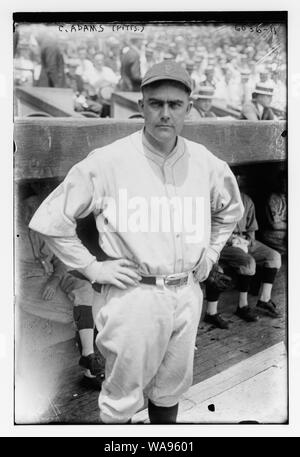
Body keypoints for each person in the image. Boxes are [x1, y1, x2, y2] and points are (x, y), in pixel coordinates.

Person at [29, 60, 244, 424]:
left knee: (171, 388)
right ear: (140, 106)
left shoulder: (207, 163)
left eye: (174, 104)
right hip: (134, 295)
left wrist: (210, 252)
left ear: (188, 109)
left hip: (187, 291)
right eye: (155, 103)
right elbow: (51, 220)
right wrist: (92, 266)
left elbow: (230, 210)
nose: (164, 113)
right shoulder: (109, 161)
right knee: (121, 400)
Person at [20, 195, 104, 386]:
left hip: (53, 277)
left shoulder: (44, 228)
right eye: (29, 210)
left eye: (38, 208)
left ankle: (88, 356)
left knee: (85, 289)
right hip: (29, 283)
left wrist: (54, 280)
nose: (33, 213)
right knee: (78, 311)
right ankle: (90, 369)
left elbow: (59, 260)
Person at [204, 175, 282, 328]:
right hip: (223, 243)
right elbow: (211, 232)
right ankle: (242, 307)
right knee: (248, 262)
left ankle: (264, 299)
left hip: (243, 240)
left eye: (235, 181)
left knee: (274, 256)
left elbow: (252, 228)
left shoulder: (246, 199)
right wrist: (232, 241)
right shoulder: (214, 200)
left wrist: (247, 243)